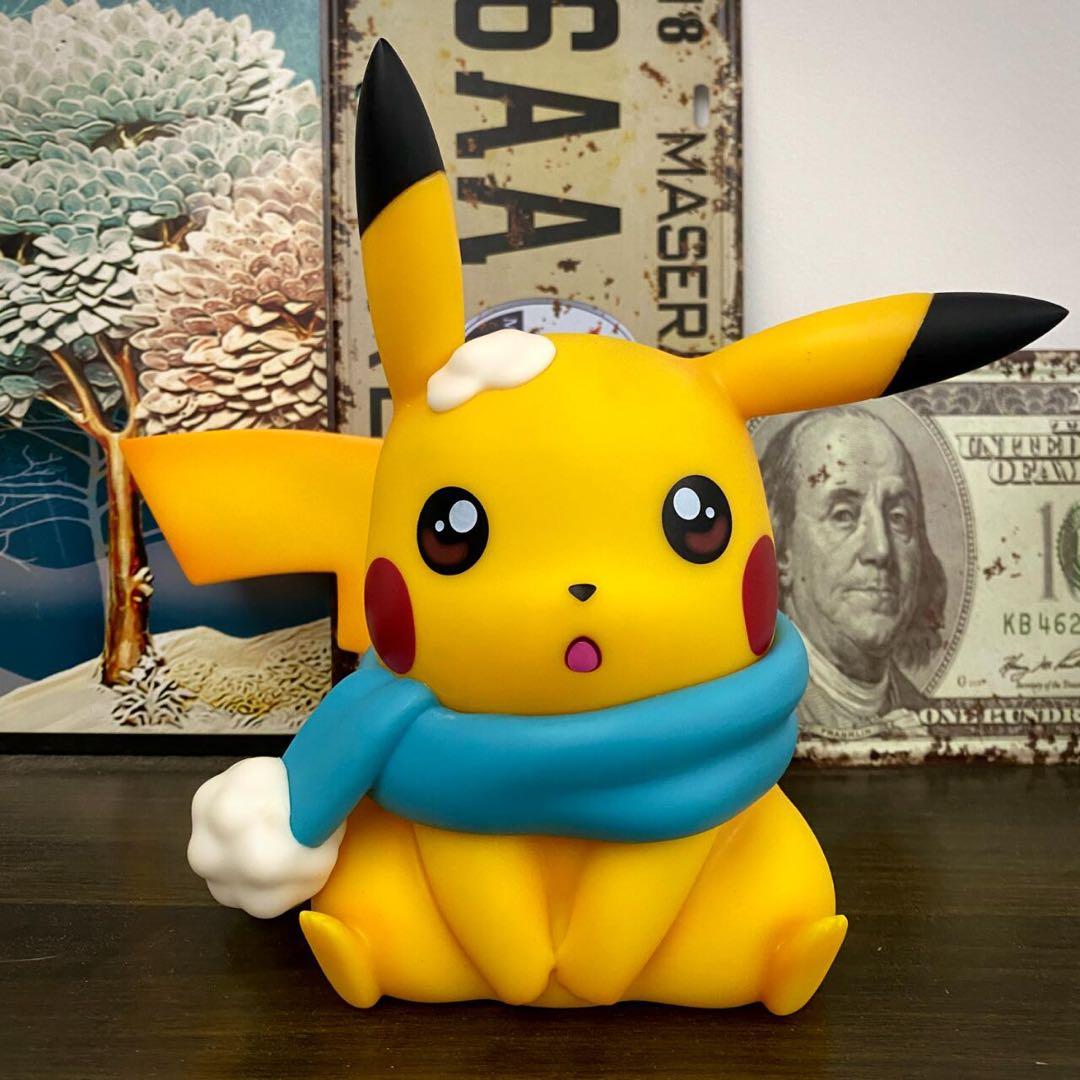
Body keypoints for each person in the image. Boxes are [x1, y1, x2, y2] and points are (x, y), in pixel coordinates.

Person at [759, 407, 946, 738]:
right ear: (782, 548)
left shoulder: (926, 718)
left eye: (899, 517)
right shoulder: (750, 713)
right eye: (843, 514)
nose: (881, 549)